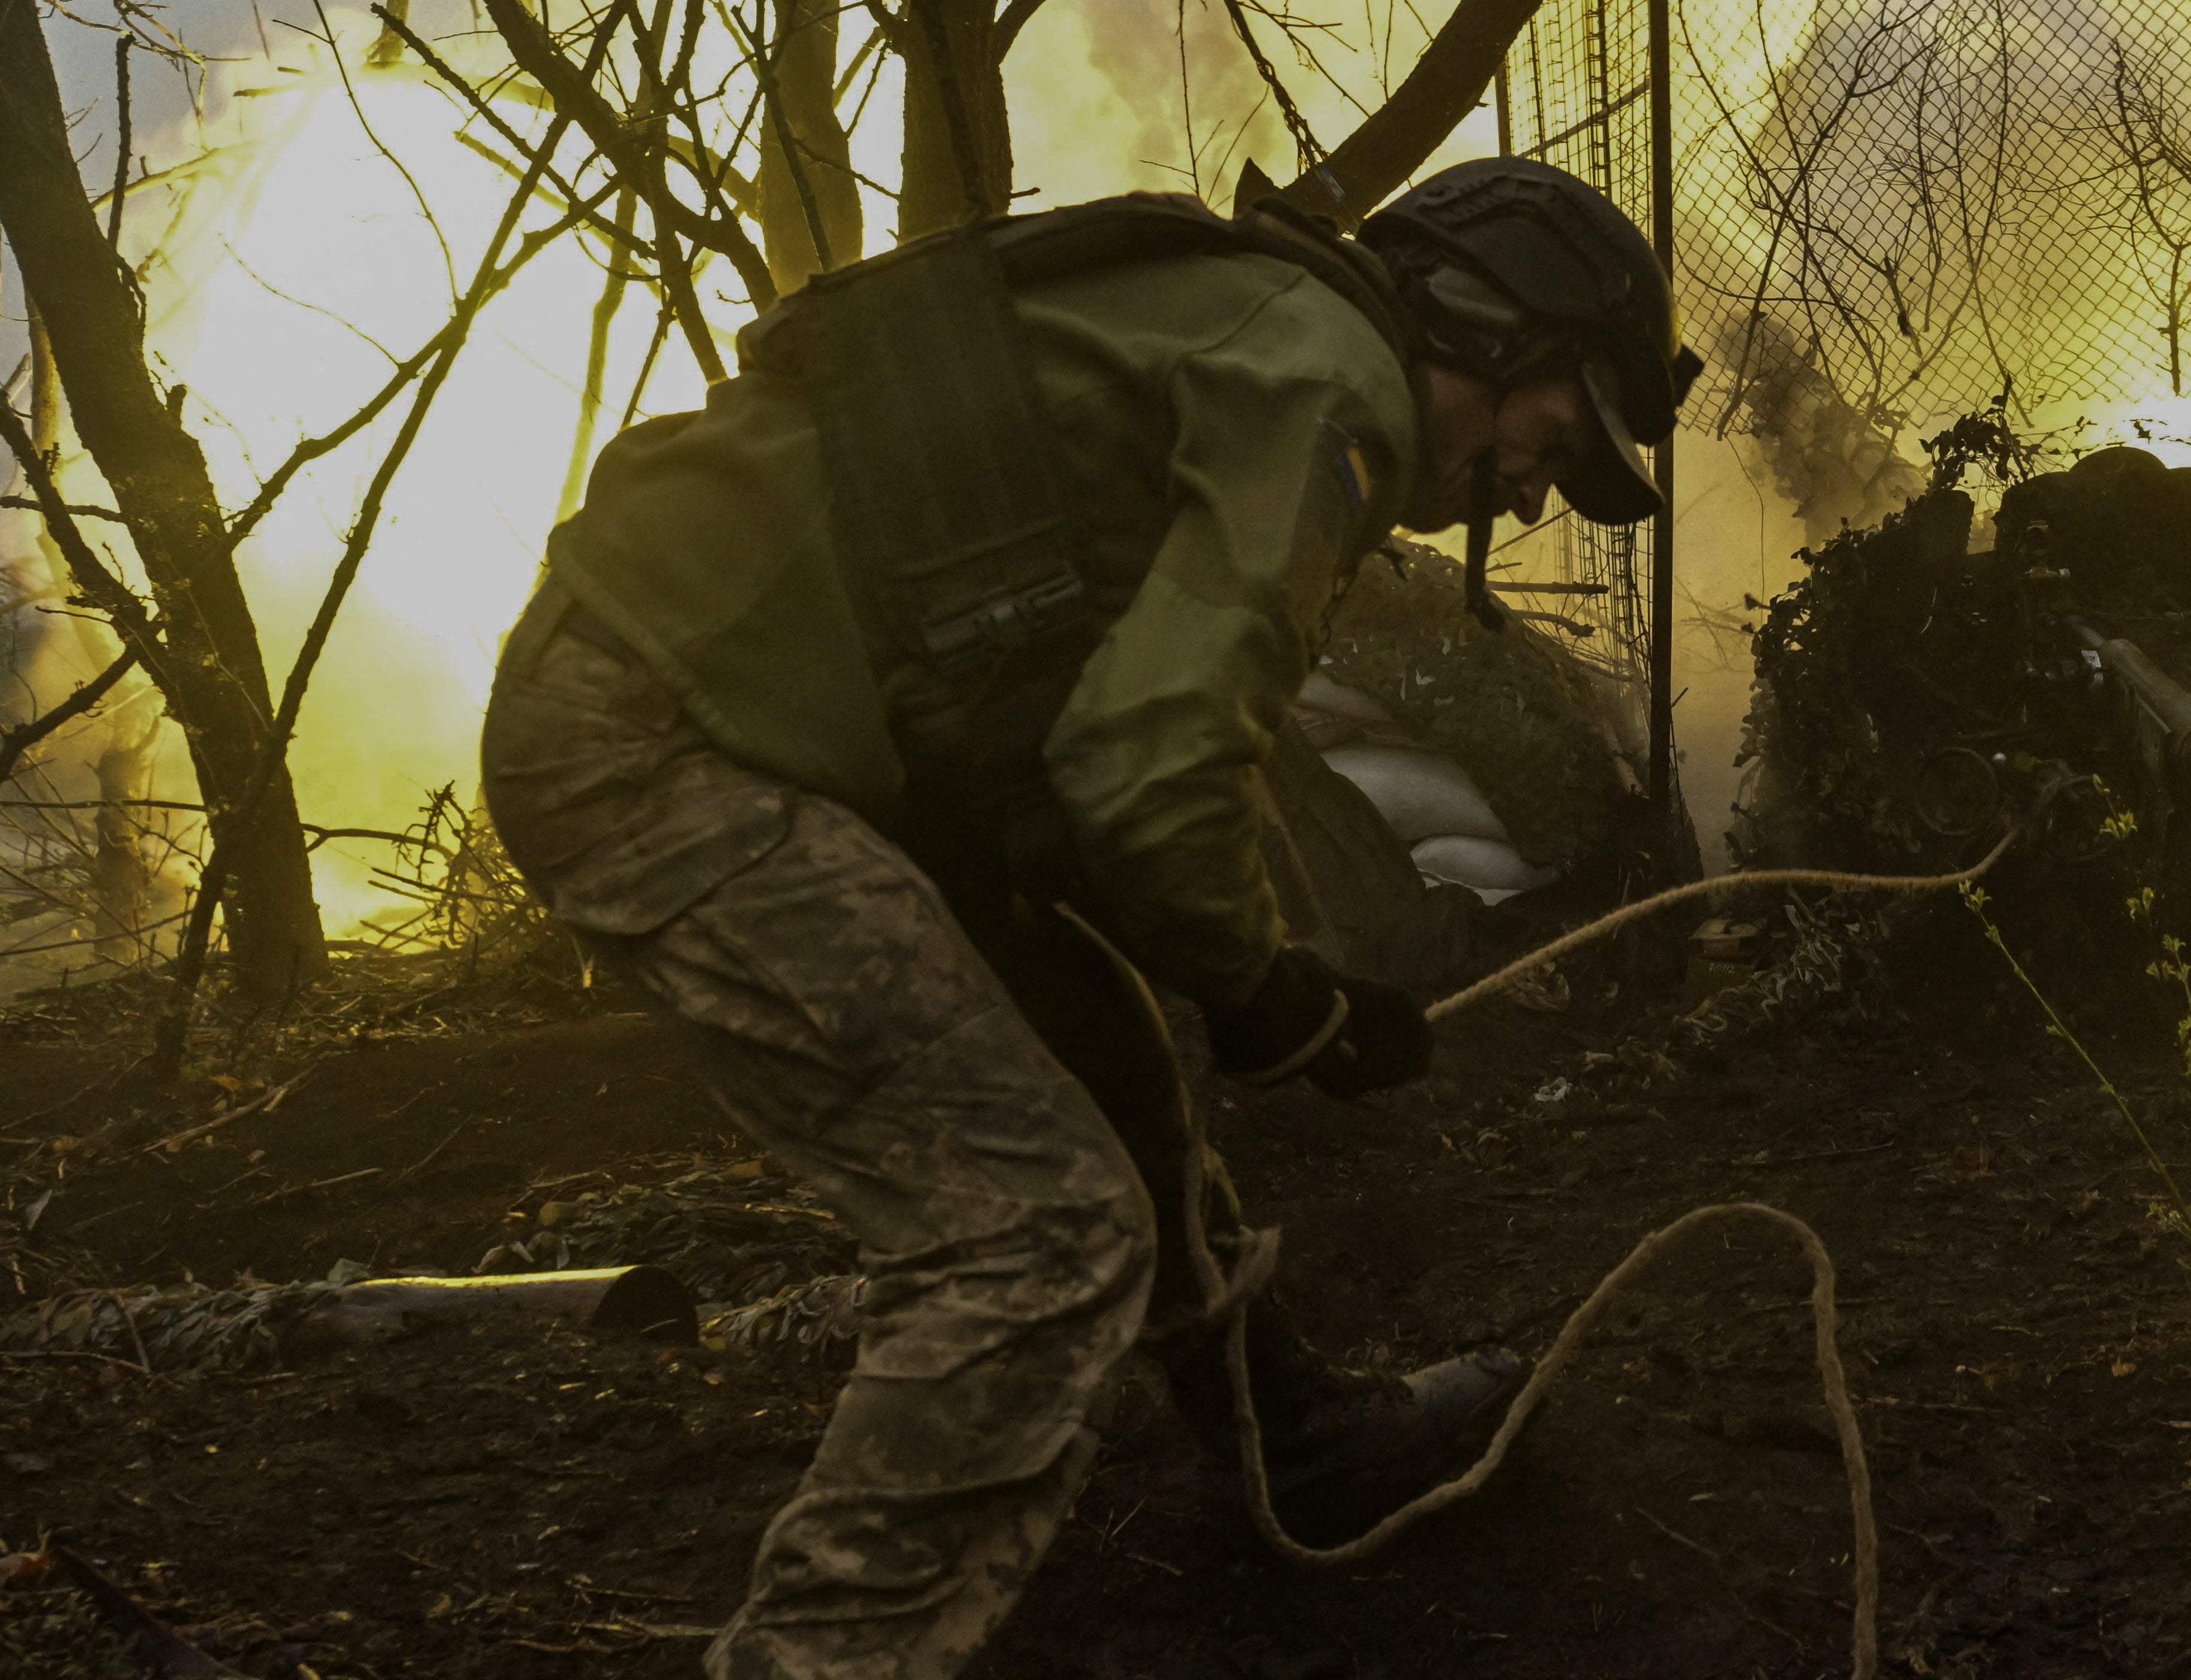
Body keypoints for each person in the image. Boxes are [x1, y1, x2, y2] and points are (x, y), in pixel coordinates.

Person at [479, 158, 1699, 1680]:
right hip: (663, 740)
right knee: (1038, 1236)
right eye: (1556, 433)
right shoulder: (1336, 388)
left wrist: (1256, 971)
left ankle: (1291, 1434)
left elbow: (1092, 723)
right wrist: (1268, 992)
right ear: (1486, 323)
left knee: (1113, 1056)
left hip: (757, 718)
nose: (1533, 489)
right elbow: (1150, 767)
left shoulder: (1261, 321)